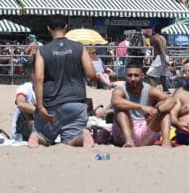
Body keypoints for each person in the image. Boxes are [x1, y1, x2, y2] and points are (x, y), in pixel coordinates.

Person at [30, 16, 101, 147]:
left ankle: (36, 136)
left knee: (43, 137)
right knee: (71, 140)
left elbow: (39, 78)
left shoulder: (43, 51)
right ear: (66, 28)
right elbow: (91, 74)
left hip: (51, 104)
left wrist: (40, 106)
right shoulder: (79, 47)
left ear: (48, 29)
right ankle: (83, 136)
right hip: (75, 102)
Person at [112, 59, 172, 147]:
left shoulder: (150, 89)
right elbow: (116, 102)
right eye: (129, 75)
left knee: (164, 108)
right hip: (125, 132)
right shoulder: (120, 90)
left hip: (146, 130)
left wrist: (158, 110)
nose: (133, 79)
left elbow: (172, 100)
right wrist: (141, 107)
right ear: (125, 76)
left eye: (136, 75)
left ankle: (166, 142)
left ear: (142, 76)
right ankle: (129, 141)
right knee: (120, 111)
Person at [12, 63, 37, 141]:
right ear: (33, 74)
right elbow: (20, 104)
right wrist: (40, 111)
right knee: (25, 109)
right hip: (20, 131)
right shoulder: (24, 88)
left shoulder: (48, 88)